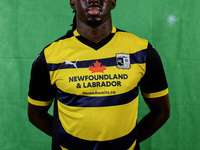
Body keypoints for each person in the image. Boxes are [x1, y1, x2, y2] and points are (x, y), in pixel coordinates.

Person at [27, 0, 170, 149]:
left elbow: (161, 111)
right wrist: (69, 140)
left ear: (113, 2)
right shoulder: (50, 57)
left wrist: (130, 141)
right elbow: (36, 115)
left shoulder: (142, 51)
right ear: (72, 3)